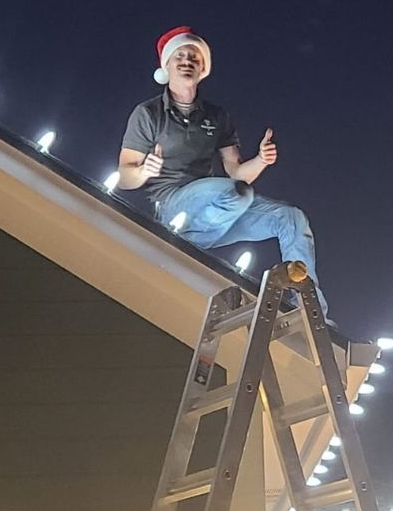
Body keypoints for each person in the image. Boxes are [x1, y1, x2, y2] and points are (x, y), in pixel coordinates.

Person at [118, 26, 327, 308]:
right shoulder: (148, 113)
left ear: (203, 67)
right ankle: (182, 241)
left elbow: (237, 173)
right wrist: (144, 170)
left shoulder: (217, 116)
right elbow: (125, 177)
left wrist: (261, 161)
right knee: (236, 193)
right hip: (173, 203)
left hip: (215, 208)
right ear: (166, 65)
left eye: (194, 56)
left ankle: (309, 307)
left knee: (291, 218)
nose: (187, 60)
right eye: (179, 55)